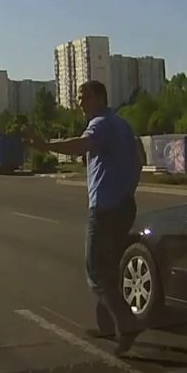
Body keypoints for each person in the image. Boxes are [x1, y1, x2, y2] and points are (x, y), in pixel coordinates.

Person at [23, 80, 146, 354]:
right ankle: (107, 327)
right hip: (124, 205)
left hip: (105, 210)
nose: (80, 103)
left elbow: (81, 145)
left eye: (85, 97)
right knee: (110, 269)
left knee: (96, 274)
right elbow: (139, 158)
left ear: (100, 98)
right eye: (79, 98)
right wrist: (128, 189)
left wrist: (45, 146)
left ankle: (126, 324)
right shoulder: (122, 124)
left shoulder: (100, 124)